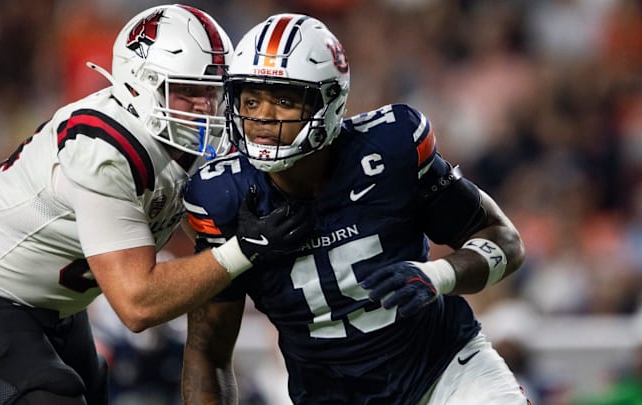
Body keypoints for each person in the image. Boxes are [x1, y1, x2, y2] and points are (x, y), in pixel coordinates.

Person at [0, 5, 311, 405]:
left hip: (55, 307)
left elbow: (212, 248)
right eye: (188, 91)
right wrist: (244, 249)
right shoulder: (103, 150)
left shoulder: (191, 144)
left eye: (214, 90)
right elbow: (137, 303)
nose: (205, 107)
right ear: (139, 85)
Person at [182, 13, 530, 405]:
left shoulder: (391, 149)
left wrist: (438, 275)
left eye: (283, 99)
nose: (262, 115)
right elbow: (207, 351)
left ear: (328, 101)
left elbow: (505, 241)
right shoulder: (222, 195)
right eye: (250, 98)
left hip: (447, 373)